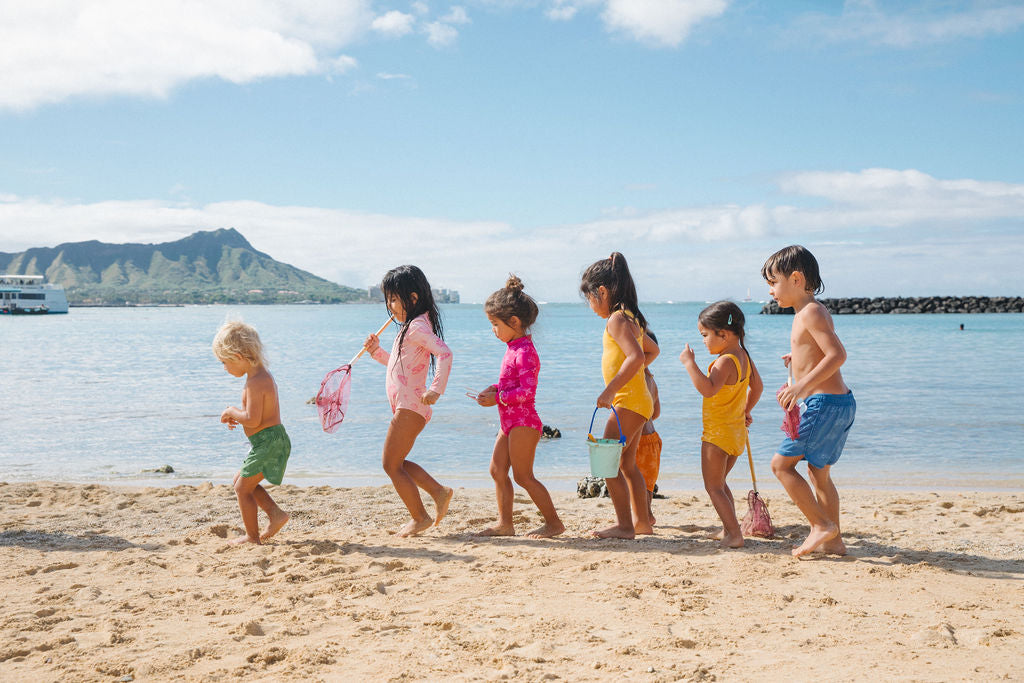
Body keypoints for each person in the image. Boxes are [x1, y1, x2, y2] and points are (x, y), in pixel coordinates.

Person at [762, 245, 855, 557]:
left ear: (796, 279)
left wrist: (800, 385)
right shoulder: (811, 311)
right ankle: (834, 541)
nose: (771, 291)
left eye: (773, 283)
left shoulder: (810, 312)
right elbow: (821, 351)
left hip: (823, 404)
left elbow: (837, 355)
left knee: (781, 466)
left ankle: (820, 525)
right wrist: (799, 359)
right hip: (837, 403)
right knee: (818, 472)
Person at [364, 265, 454, 537]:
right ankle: (438, 492)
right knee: (397, 463)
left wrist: (436, 389)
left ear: (413, 299)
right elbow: (398, 366)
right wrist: (375, 352)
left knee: (390, 464)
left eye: (394, 299)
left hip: (411, 406)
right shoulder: (411, 327)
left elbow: (445, 354)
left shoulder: (416, 327)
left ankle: (420, 517)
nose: (390, 306)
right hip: (409, 406)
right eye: (388, 299)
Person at [472, 275, 565, 538]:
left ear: (514, 322)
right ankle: (505, 524)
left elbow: (527, 392)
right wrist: (494, 390)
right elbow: (512, 385)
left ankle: (554, 523)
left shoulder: (525, 352)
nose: (493, 330)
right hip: (509, 423)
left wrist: (498, 398)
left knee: (524, 476)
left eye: (495, 324)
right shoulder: (512, 347)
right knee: (497, 470)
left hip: (524, 423)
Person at [580, 252, 659, 539]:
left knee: (607, 463)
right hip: (638, 402)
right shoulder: (630, 318)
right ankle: (642, 523)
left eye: (589, 298)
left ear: (601, 292)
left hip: (626, 402)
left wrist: (610, 389)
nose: (591, 306)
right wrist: (633, 375)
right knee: (627, 464)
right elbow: (651, 352)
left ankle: (625, 526)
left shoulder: (617, 319)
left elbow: (637, 355)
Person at [680, 302, 763, 549]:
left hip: (717, 434)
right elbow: (757, 388)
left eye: (705, 335)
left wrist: (689, 363)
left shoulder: (724, 361)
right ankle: (728, 528)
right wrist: (746, 410)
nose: (704, 341)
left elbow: (707, 389)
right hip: (736, 432)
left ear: (724, 335)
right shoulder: (743, 357)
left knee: (713, 486)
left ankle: (735, 534)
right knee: (721, 483)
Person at [213, 320, 290, 545]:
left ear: (238, 356)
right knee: (242, 480)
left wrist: (231, 411)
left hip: (269, 443)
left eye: (224, 362)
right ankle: (276, 515)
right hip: (266, 442)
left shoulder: (257, 382)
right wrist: (237, 416)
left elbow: (252, 418)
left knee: (241, 488)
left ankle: (252, 537)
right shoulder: (257, 377)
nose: (224, 368)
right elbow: (255, 417)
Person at [636, 331, 662, 527]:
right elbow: (656, 413)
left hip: (639, 439)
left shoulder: (636, 379)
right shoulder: (652, 380)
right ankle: (647, 513)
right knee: (647, 482)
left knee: (635, 479)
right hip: (652, 437)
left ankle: (643, 516)